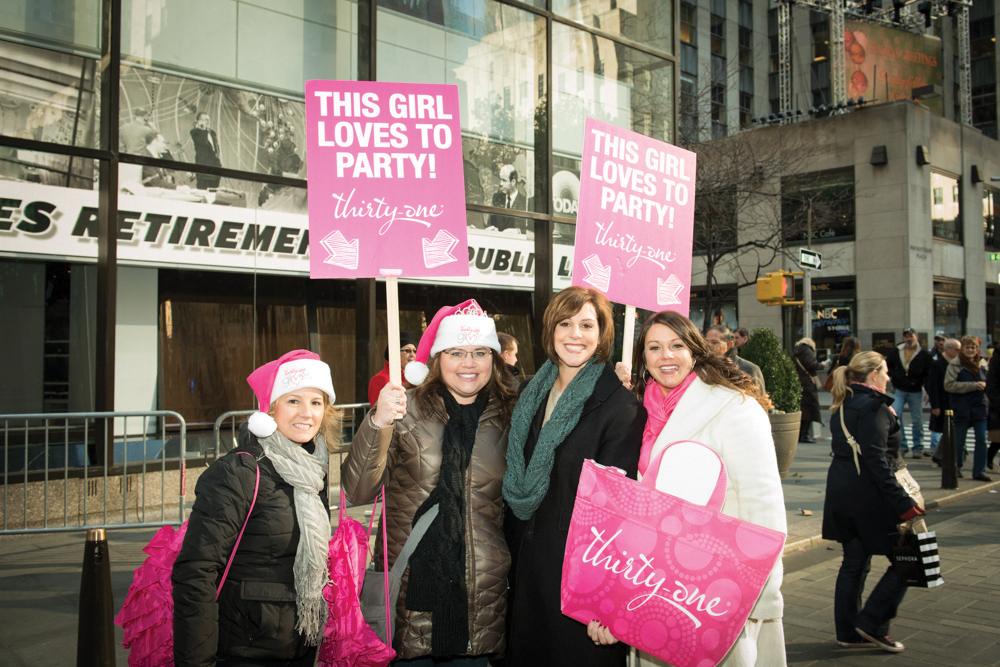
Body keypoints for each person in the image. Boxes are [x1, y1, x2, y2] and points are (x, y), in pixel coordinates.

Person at [341, 299, 515, 665]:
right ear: (437, 359)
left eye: (480, 352)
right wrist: (378, 424)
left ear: (494, 359)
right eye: (456, 352)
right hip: (410, 598)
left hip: (482, 603)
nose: (468, 364)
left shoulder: (512, 413)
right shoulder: (406, 409)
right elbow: (357, 490)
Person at [610, 311, 786, 667]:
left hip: (718, 592)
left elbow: (763, 505)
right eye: (654, 347)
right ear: (643, 358)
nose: (666, 356)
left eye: (676, 345)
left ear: (695, 350)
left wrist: (760, 597)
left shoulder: (733, 407)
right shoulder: (638, 411)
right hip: (655, 586)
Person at [503, 286, 646, 667]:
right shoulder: (531, 391)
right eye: (565, 323)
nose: (575, 334)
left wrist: (607, 602)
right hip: (524, 575)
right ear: (551, 329)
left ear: (602, 334)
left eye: (587, 324)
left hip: (576, 589)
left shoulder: (619, 407)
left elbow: (619, 518)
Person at [173, 349, 339, 666]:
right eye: (293, 401)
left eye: (316, 402)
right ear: (270, 409)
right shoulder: (238, 473)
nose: (307, 413)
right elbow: (196, 573)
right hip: (245, 650)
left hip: (302, 646)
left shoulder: (312, 472)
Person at [822, 351, 924, 654]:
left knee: (854, 563)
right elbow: (878, 461)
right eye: (886, 371)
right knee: (912, 559)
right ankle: (873, 624)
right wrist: (903, 502)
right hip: (873, 498)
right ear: (874, 374)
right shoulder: (875, 407)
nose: (890, 377)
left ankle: (848, 632)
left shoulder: (844, 402)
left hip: (843, 493)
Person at [944, 335, 992, 481]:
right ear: (962, 349)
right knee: (959, 441)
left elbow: (990, 382)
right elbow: (948, 385)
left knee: (982, 440)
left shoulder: (983, 364)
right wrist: (972, 386)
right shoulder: (955, 364)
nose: (970, 350)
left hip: (979, 406)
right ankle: (957, 468)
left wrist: (986, 387)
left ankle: (979, 471)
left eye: (973, 348)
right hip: (962, 407)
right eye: (967, 347)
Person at [886, 328, 932, 456]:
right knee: (896, 415)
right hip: (899, 389)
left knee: (917, 420)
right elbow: (888, 365)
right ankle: (903, 445)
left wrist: (928, 391)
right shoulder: (897, 351)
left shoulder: (924, 354)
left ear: (916, 337)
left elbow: (928, 374)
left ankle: (917, 447)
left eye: (911, 336)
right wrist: (892, 375)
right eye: (906, 336)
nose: (909, 339)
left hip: (916, 390)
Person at [705, 324, 766, 391]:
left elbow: (760, 399)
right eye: (706, 342)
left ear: (729, 344)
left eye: (714, 342)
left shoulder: (748, 368)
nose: (709, 346)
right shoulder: (704, 368)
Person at [927, 338, 960, 459]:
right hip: (943, 402)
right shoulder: (937, 364)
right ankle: (940, 455)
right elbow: (932, 386)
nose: (959, 351)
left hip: (955, 402)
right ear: (948, 349)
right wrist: (935, 406)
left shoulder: (958, 363)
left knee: (953, 429)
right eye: (957, 349)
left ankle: (948, 454)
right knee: (948, 429)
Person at [366, 331, 416, 406]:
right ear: (395, 353)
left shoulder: (415, 378)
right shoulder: (380, 379)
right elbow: (377, 411)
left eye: (415, 351)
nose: (412, 355)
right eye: (407, 351)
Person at [792, 337, 826, 443]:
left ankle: (800, 434)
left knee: (802, 408)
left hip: (798, 381)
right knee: (810, 407)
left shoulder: (795, 351)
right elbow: (811, 364)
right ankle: (804, 434)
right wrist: (821, 365)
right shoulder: (808, 351)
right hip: (807, 383)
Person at [488, 164, 527, 233]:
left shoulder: (525, 202)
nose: (500, 184)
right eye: (500, 180)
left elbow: (531, 231)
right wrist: (492, 228)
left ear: (513, 182)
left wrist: (518, 231)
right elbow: (491, 223)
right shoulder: (496, 198)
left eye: (504, 180)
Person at [190, 111, 222, 190]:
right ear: (199, 121)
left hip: (215, 171)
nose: (208, 122)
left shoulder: (212, 133)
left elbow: (216, 149)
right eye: (205, 120)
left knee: (213, 194)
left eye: (209, 119)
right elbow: (203, 142)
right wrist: (203, 128)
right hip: (203, 171)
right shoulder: (195, 132)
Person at [986, 346, 1000, 473]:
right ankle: (989, 457)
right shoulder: (997, 358)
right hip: (999, 405)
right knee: (997, 439)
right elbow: (991, 384)